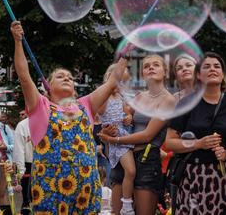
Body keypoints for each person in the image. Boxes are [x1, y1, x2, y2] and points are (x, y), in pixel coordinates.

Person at [11, 21, 127, 214]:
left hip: (86, 186)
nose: (67, 78)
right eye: (60, 76)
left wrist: (127, 52)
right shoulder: (41, 106)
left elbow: (113, 79)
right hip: (50, 187)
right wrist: (17, 41)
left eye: (70, 78)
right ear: (47, 87)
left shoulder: (85, 105)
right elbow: (24, 76)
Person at [167, 52, 226, 214]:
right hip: (195, 177)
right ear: (198, 75)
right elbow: (170, 142)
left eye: (217, 66)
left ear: (223, 75)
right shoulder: (187, 104)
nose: (212, 69)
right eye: (207, 66)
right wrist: (198, 144)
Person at [98, 56, 169, 215]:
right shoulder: (137, 97)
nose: (150, 68)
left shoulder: (168, 100)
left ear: (166, 72)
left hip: (146, 160)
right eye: (146, 66)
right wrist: (107, 132)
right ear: (142, 73)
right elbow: (119, 120)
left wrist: (113, 139)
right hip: (124, 157)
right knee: (119, 212)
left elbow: (147, 135)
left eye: (156, 65)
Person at [100, 63, 136, 215]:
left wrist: (129, 117)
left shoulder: (121, 98)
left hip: (123, 136)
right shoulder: (104, 97)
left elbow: (127, 115)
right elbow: (100, 112)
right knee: (131, 170)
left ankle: (126, 203)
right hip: (116, 140)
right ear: (108, 78)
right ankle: (126, 205)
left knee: (128, 172)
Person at [13, 110, 34, 215]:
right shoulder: (23, 125)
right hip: (28, 165)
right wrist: (20, 171)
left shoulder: (52, 121)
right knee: (27, 199)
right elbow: (19, 149)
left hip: (49, 165)